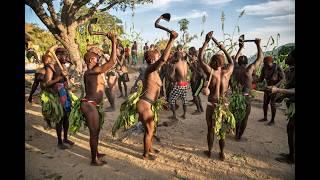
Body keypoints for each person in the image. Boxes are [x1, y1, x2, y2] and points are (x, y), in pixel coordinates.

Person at [136, 30, 178, 160]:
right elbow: (164, 59)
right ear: (154, 59)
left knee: (151, 129)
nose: (162, 60)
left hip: (150, 104)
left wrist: (161, 101)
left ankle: (150, 148)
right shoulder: (150, 69)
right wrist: (171, 40)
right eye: (158, 57)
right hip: (145, 105)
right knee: (149, 131)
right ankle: (145, 154)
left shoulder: (155, 72)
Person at [80, 32, 117, 166]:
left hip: (93, 105)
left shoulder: (94, 71)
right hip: (89, 105)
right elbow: (112, 62)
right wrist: (113, 41)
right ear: (91, 60)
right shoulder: (91, 71)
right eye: (96, 59)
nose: (99, 60)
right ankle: (94, 160)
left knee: (96, 131)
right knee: (94, 133)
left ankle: (96, 153)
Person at [198, 31, 234, 161]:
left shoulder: (210, 72)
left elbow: (200, 59)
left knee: (210, 130)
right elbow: (232, 62)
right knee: (222, 130)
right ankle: (222, 153)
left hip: (212, 105)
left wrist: (206, 41)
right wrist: (223, 49)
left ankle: (209, 151)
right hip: (224, 105)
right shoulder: (227, 72)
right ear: (222, 63)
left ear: (213, 62)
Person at [231, 38, 263, 140]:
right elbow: (260, 58)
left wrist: (240, 49)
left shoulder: (235, 69)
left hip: (236, 96)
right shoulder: (249, 70)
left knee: (236, 116)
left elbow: (234, 60)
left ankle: (236, 134)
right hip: (245, 98)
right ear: (247, 63)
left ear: (239, 62)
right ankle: (239, 136)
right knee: (245, 118)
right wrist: (258, 45)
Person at [43, 47, 75, 149]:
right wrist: (59, 78)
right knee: (60, 119)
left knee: (66, 118)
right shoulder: (51, 67)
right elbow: (46, 83)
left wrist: (68, 79)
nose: (67, 57)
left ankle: (65, 138)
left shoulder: (63, 66)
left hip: (65, 94)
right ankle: (59, 142)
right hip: (57, 96)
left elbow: (66, 80)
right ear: (58, 55)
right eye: (65, 55)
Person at [267, 49, 295, 164]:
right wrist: (282, 96)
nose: (286, 57)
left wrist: (278, 89)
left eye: (289, 55)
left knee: (292, 130)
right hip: (292, 104)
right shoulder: (292, 70)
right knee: (290, 129)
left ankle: (292, 158)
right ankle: (291, 154)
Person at [257, 56, 285, 125]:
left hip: (275, 88)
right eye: (264, 63)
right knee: (265, 103)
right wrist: (252, 80)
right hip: (268, 88)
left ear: (271, 62)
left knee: (272, 104)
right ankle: (265, 117)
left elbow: (283, 79)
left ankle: (272, 120)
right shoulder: (264, 68)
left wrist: (275, 87)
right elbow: (261, 79)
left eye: (266, 63)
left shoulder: (277, 67)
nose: (265, 65)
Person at [28, 54, 53, 129]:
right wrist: (30, 95)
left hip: (53, 93)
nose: (48, 63)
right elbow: (35, 84)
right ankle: (48, 124)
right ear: (43, 62)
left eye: (50, 61)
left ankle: (56, 122)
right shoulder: (39, 71)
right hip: (44, 94)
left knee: (55, 109)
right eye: (46, 61)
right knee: (45, 109)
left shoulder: (53, 70)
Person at [168, 50, 189, 120]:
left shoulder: (175, 65)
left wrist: (174, 80)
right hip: (185, 84)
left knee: (171, 99)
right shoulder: (185, 63)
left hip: (179, 84)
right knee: (184, 99)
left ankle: (174, 116)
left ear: (176, 57)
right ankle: (184, 114)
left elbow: (171, 76)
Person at [188, 47, 205, 114]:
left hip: (200, 81)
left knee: (195, 95)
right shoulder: (195, 62)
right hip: (197, 81)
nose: (191, 57)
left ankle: (199, 110)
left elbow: (201, 74)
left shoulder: (199, 63)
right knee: (196, 95)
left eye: (192, 56)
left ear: (195, 56)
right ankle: (201, 109)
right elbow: (193, 71)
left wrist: (193, 66)